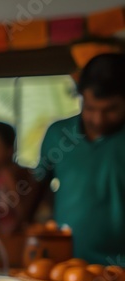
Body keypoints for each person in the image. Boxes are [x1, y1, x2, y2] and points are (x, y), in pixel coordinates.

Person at [37, 53, 125, 264]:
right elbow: (36, 189)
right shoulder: (58, 135)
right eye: (90, 108)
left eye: (111, 109)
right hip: (65, 268)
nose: (98, 119)